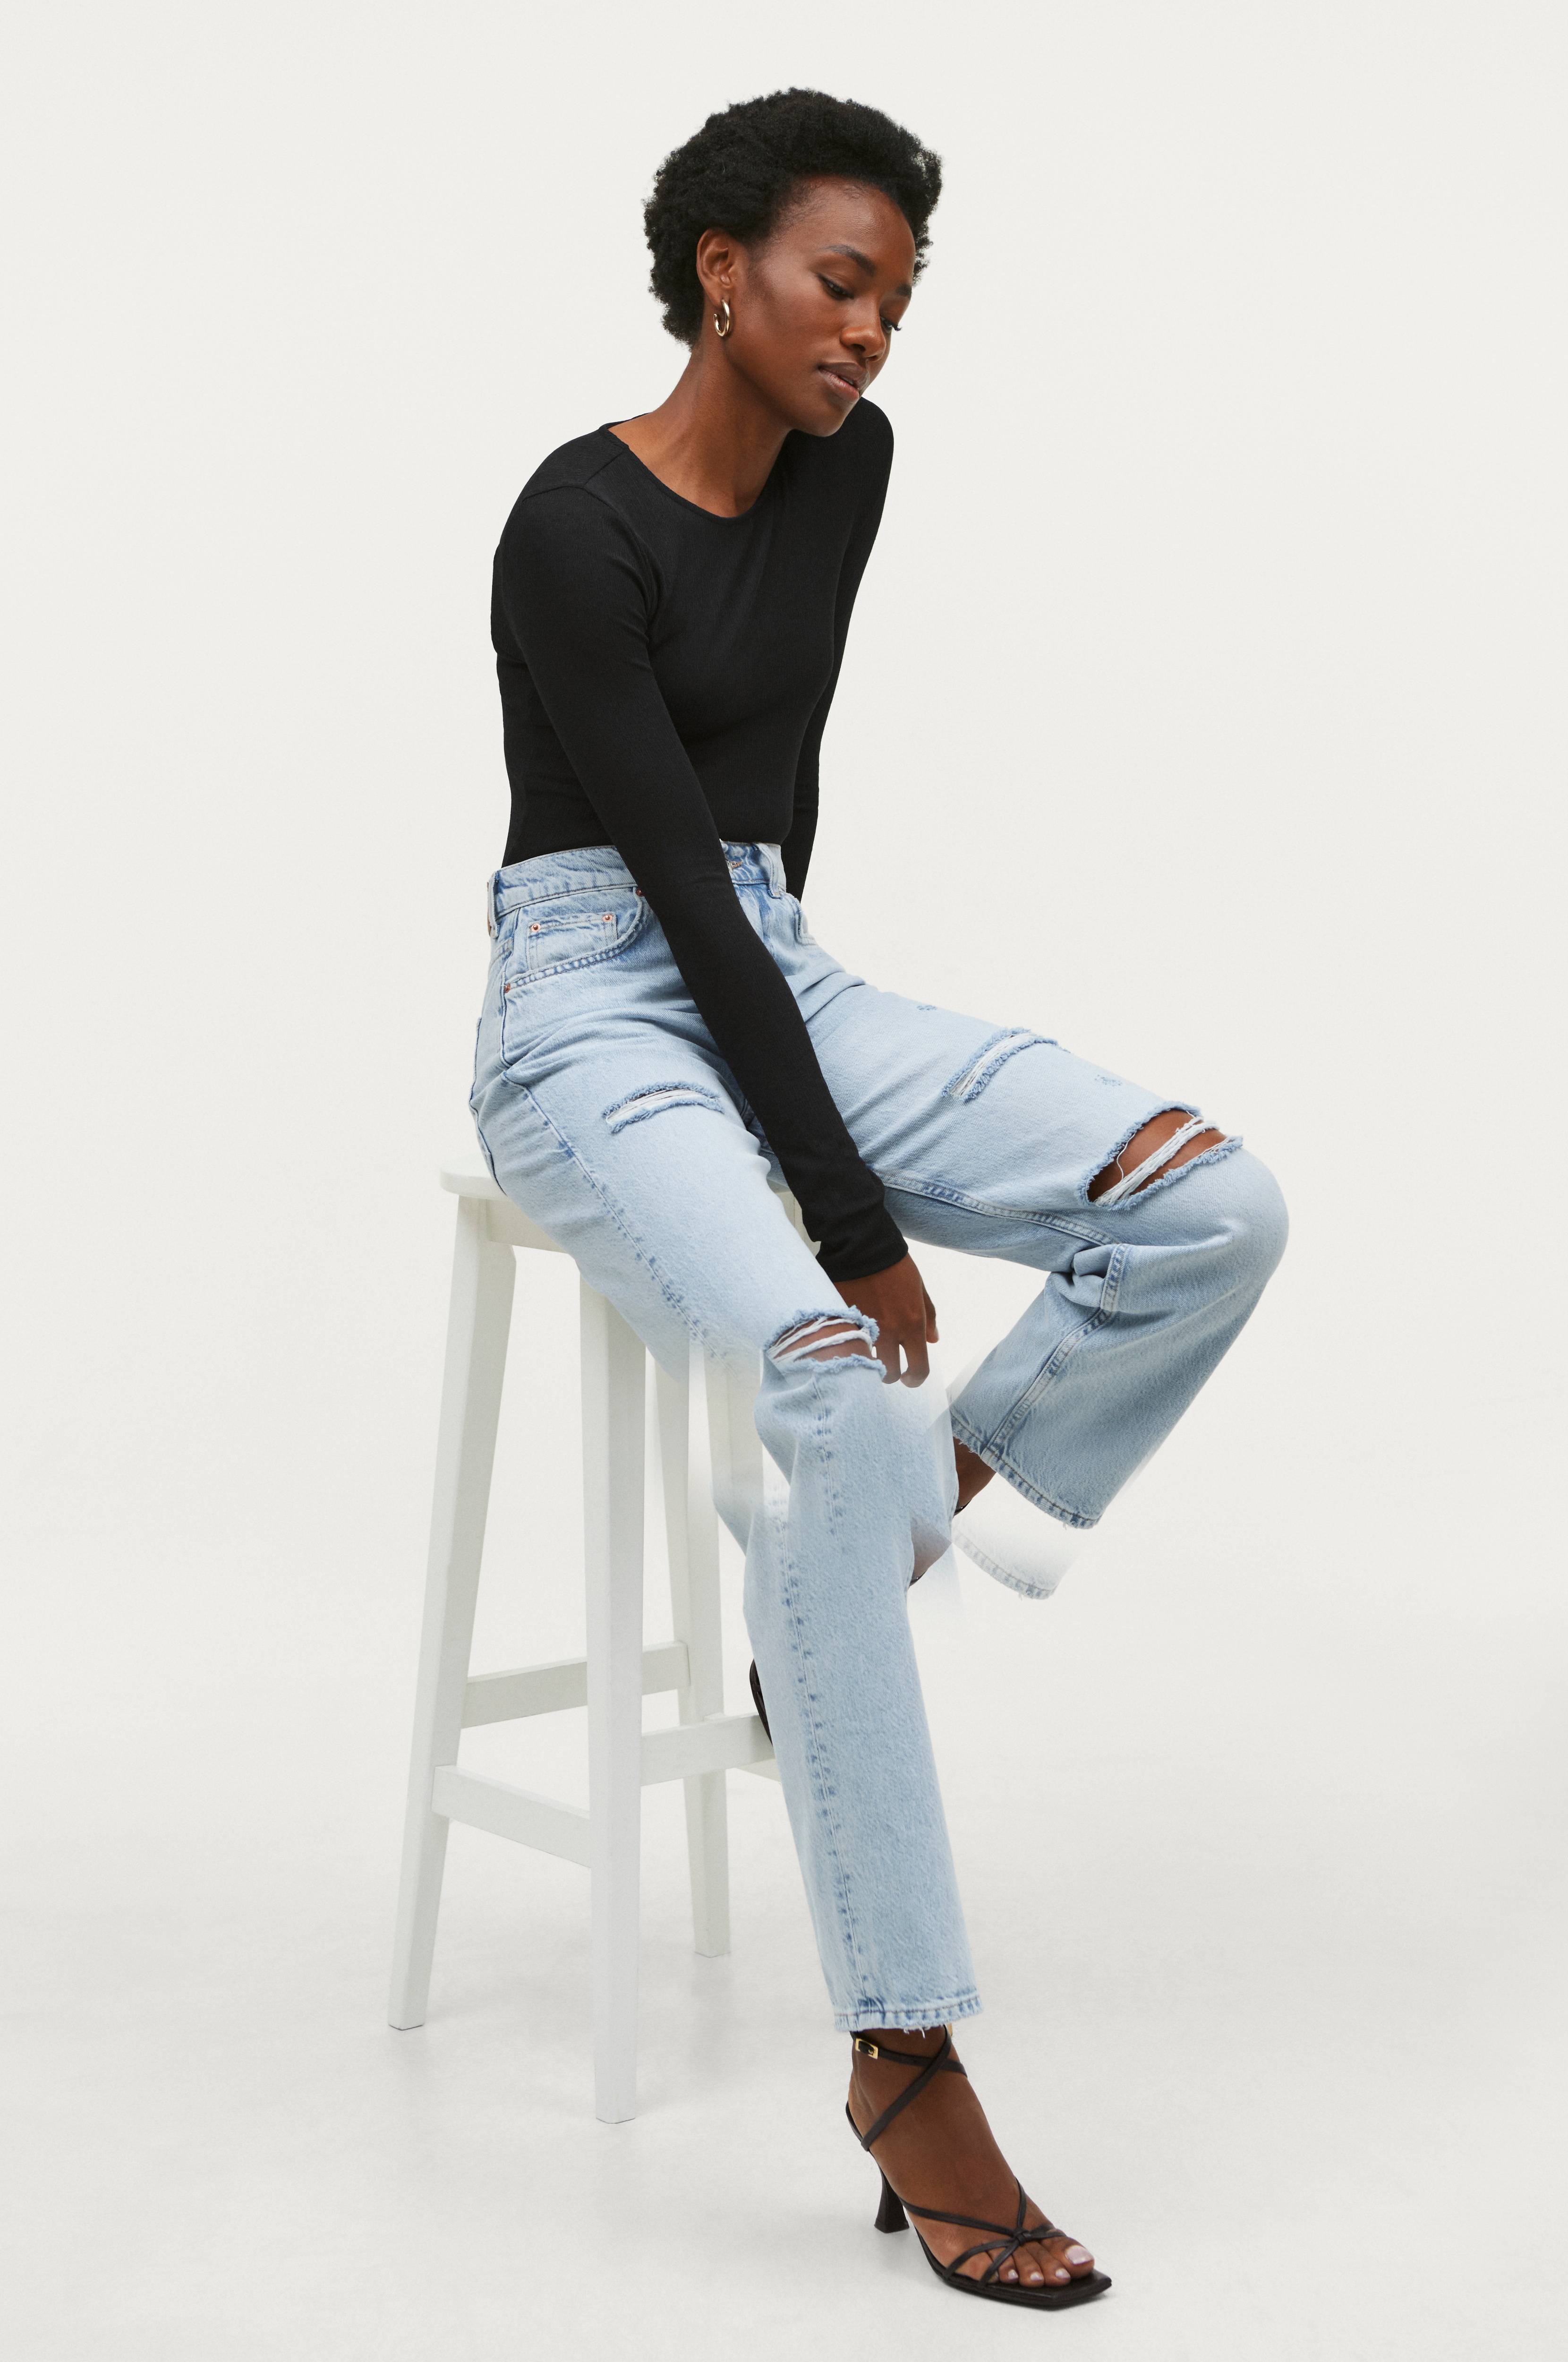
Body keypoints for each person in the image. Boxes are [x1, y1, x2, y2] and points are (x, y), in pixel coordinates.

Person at [470, 87, 1286, 2309]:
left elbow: (767, 816)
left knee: (1207, 1204)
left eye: (898, 300)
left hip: (770, 957)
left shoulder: (851, 468)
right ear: (719, 269)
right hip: (584, 1003)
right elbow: (656, 877)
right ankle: (901, 2052)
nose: (869, 331)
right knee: (829, 1372)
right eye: (840, 283)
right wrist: (836, 1209)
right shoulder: (569, 525)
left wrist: (808, 1077)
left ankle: (907, 1514)